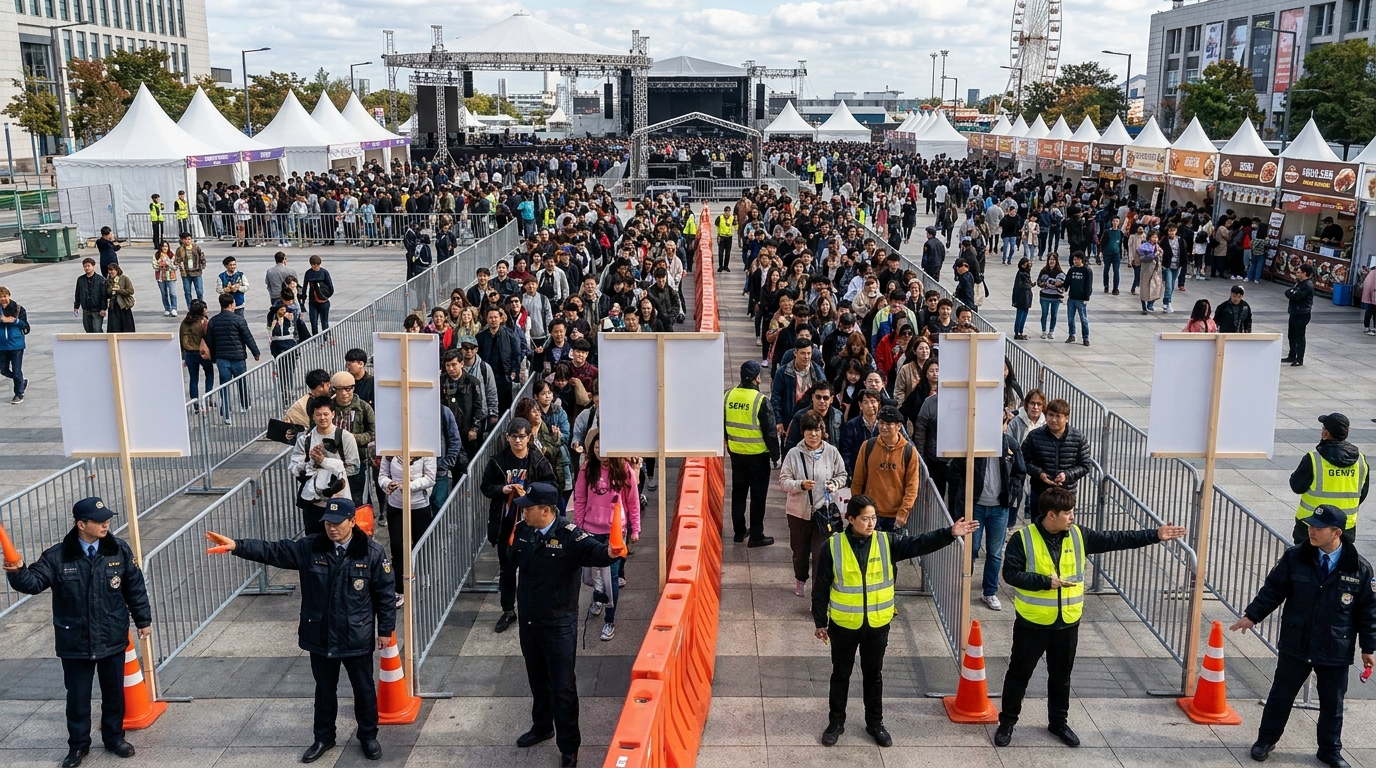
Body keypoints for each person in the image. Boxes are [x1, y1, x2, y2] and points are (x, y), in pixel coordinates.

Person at [994, 487, 1186, 747]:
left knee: (1061, 677)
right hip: (1033, 624)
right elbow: (1010, 574)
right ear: (1051, 515)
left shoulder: (1078, 535)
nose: (1072, 517)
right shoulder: (1023, 539)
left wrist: (1155, 535)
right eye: (1068, 513)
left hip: (1067, 624)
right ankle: (1007, 723)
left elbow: (1115, 539)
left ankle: (1058, 723)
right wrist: (1044, 582)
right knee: (1019, 674)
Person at [207, 498, 393, 764]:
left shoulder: (371, 553)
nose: (331, 528)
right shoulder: (311, 548)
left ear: (352, 521)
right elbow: (274, 551)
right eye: (327, 522)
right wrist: (237, 546)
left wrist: (385, 630)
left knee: (363, 689)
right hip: (320, 635)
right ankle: (324, 737)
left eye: (337, 523)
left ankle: (368, 736)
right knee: (324, 689)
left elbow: (384, 594)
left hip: (356, 636)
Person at [813, 494, 978, 747]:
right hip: (844, 625)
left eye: (874, 518)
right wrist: (820, 622)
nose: (871, 523)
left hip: (877, 625)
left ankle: (875, 723)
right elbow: (821, 586)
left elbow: (918, 544)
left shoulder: (885, 541)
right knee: (840, 676)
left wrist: (950, 533)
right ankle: (836, 723)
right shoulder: (833, 547)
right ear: (850, 519)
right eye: (865, 519)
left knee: (874, 676)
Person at [4, 497, 150, 768]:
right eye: (98, 521)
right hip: (76, 642)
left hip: (112, 637)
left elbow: (135, 587)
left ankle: (114, 738)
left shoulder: (118, 550)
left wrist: (143, 620)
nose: (106, 523)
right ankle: (78, 746)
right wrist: (17, 571)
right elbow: (33, 583)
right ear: (81, 524)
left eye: (107, 518)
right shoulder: (57, 556)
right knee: (78, 698)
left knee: (114, 694)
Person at [1230, 504, 1376, 768]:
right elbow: (1274, 589)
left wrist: (1368, 647)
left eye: (1319, 528)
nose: (1312, 531)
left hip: (1335, 647)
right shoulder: (1295, 557)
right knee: (1281, 695)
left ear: (1337, 533)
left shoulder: (1359, 568)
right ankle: (1266, 739)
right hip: (1297, 642)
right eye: (1310, 525)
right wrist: (1252, 615)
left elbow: (1368, 611)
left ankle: (1330, 750)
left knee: (1333, 703)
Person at [507, 482, 619, 767]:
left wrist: (615, 549)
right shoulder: (523, 531)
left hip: (558, 626)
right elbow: (509, 564)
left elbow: (599, 552)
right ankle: (542, 726)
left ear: (545, 510)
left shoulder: (570, 536)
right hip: (530, 622)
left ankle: (569, 746)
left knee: (563, 687)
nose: (524, 513)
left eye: (529, 508)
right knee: (537, 680)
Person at [481, 417, 557, 633]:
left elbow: (551, 485)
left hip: (532, 523)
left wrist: (531, 493)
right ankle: (508, 611)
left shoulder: (538, 460)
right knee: (507, 570)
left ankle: (533, 608)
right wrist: (502, 490)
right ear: (507, 438)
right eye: (514, 437)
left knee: (534, 568)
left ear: (529, 437)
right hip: (506, 523)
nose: (518, 441)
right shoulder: (498, 461)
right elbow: (485, 486)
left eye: (522, 437)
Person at [949, 407, 1027, 611]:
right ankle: (964, 585)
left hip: (999, 508)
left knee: (994, 552)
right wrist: (961, 500)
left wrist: (1011, 495)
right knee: (971, 548)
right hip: (975, 506)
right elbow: (956, 473)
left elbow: (1020, 472)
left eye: (1002, 423)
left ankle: (990, 592)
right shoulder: (972, 444)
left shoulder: (1010, 444)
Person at [573, 427, 641, 641]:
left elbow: (633, 501)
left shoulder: (624, 469)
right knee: (592, 576)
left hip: (615, 534)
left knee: (611, 577)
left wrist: (635, 529)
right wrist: (579, 526)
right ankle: (598, 598)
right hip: (591, 531)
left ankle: (609, 620)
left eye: (604, 446)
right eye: (596, 446)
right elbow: (580, 499)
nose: (600, 450)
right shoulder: (586, 470)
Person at [781, 411, 848, 598]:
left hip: (823, 513)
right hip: (798, 513)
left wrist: (834, 484)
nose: (813, 434)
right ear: (803, 432)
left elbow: (842, 475)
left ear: (822, 432)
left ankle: (818, 593)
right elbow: (783, 481)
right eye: (809, 430)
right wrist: (799, 485)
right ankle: (800, 578)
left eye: (817, 430)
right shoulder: (794, 454)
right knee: (800, 553)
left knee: (821, 555)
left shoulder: (832, 452)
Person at [1290, 413, 1369, 546]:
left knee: (1304, 564)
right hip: (1344, 526)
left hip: (1311, 525)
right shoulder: (1361, 460)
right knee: (1339, 564)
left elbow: (1297, 486)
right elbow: (1363, 493)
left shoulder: (1314, 458)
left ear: (1325, 433)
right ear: (1347, 432)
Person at [726, 360, 781, 546]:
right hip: (758, 457)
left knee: (738, 494)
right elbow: (770, 432)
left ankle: (739, 532)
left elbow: (722, 424)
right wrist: (776, 456)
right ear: (758, 377)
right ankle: (757, 534)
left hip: (736, 454)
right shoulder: (760, 401)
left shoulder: (728, 396)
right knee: (758, 497)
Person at [290, 396, 360, 535]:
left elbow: (354, 467)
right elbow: (294, 467)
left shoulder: (345, 437)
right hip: (314, 503)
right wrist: (311, 464)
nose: (323, 418)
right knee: (313, 542)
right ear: (313, 416)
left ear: (333, 414)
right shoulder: (305, 439)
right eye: (318, 414)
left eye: (326, 414)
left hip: (340, 501)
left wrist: (326, 464)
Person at [1020, 397, 1093, 522]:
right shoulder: (1034, 436)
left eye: (1058, 416)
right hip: (1040, 494)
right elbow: (1023, 461)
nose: (1053, 420)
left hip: (1066, 495)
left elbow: (1085, 465)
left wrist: (1067, 475)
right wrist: (1039, 474)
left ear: (1067, 418)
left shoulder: (1078, 438)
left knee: (1063, 531)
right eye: (1050, 415)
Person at [377, 451, 436, 605]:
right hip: (396, 505)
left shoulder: (426, 452)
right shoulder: (390, 453)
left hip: (419, 506)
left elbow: (430, 478)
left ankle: (424, 582)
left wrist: (408, 485)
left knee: (421, 546)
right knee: (397, 548)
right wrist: (387, 484)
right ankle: (400, 589)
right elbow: (382, 475)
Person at [851, 406, 919, 532]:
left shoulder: (909, 451)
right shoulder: (867, 446)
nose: (883, 427)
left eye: (888, 424)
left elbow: (912, 487)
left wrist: (903, 513)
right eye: (881, 423)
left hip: (896, 517)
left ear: (899, 426)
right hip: (870, 514)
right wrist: (858, 510)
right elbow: (857, 480)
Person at [205, 293, 260, 425]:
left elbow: (210, 341)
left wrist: (213, 357)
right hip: (238, 356)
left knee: (224, 385)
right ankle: (245, 405)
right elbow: (248, 337)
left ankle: (226, 414)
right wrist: (255, 352)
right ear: (231, 304)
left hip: (222, 358)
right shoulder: (238, 320)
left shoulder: (213, 321)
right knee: (242, 381)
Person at [333, 371, 376, 506]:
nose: (344, 393)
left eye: (348, 388)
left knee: (359, 500)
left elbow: (373, 433)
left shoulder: (364, 408)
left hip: (358, 460)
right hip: (333, 461)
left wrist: (352, 438)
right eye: (340, 389)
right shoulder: (328, 407)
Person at [179, 299, 214, 408]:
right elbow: (209, 338)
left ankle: (195, 405)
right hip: (202, 353)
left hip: (189, 353)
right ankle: (208, 399)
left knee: (193, 379)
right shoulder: (204, 322)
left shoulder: (185, 322)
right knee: (209, 374)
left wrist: (183, 356)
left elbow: (181, 339)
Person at [0, 286, 29, 404]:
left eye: (5, 296)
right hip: (2, 346)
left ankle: (19, 393)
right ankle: (21, 382)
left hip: (16, 345)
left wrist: (14, 321)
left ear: (9, 296)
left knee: (17, 371)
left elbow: (26, 326)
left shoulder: (18, 309)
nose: (3, 299)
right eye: (1, 297)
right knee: (4, 370)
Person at [1284, 263, 1314, 367]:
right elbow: (1288, 292)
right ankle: (1292, 354)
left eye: (1299, 272)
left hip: (1301, 313)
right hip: (1294, 312)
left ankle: (1299, 358)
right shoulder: (1299, 283)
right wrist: (1291, 293)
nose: (1297, 274)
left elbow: (1295, 296)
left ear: (1305, 273)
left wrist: (1292, 293)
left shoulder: (1307, 285)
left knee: (1299, 336)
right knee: (1291, 334)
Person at [1063, 251, 1092, 346]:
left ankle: (1085, 337)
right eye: (1074, 259)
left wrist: (1086, 297)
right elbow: (1067, 282)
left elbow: (1088, 285)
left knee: (1083, 319)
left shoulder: (1087, 270)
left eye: (1078, 259)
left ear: (1081, 260)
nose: (1076, 261)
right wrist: (1063, 288)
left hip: (1081, 299)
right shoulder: (1071, 270)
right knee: (1070, 318)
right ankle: (1071, 334)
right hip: (1072, 298)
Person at [304, 255, 335, 337]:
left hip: (323, 302)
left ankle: (325, 337)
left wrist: (325, 296)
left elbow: (330, 287)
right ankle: (315, 337)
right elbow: (304, 287)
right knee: (313, 322)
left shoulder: (324, 272)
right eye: (314, 265)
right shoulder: (308, 273)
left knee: (324, 322)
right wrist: (303, 299)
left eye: (317, 265)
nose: (316, 267)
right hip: (312, 301)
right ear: (311, 264)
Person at [73, 258, 107, 333]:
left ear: (93, 266)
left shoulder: (100, 279)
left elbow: (103, 295)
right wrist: (76, 306)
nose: (87, 268)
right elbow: (78, 293)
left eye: (89, 266)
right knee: (88, 331)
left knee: (97, 330)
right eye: (85, 266)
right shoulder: (80, 279)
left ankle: (100, 344)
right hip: (86, 309)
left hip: (97, 310)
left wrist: (103, 308)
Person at [1036, 254, 1065, 340]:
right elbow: (1038, 282)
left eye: (1053, 259)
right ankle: (1044, 331)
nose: (1051, 261)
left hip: (1055, 297)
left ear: (1056, 261)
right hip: (1044, 296)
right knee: (1044, 314)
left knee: (1054, 315)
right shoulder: (1043, 271)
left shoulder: (1060, 273)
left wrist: (1062, 288)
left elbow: (1065, 285)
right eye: (1050, 259)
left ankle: (1051, 331)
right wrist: (1043, 284)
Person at [174, 233, 207, 309]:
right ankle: (190, 308)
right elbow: (177, 260)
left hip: (197, 272)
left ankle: (200, 307)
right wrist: (179, 265)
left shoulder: (196, 247)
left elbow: (202, 257)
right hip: (186, 274)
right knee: (187, 292)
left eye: (189, 239)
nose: (188, 241)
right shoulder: (180, 250)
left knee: (199, 291)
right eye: (185, 239)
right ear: (182, 240)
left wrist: (202, 266)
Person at [105, 263, 136, 333]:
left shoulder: (124, 278)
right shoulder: (108, 281)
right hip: (113, 307)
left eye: (112, 270)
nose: (110, 272)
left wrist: (119, 290)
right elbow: (106, 293)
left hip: (123, 306)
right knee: (114, 328)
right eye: (109, 270)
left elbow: (131, 291)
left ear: (117, 270)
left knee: (127, 328)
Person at [716, 206, 736, 271]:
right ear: (724, 212)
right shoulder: (720, 217)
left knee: (728, 253)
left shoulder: (732, 218)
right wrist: (718, 233)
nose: (727, 213)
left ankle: (726, 266)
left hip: (729, 237)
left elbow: (735, 225)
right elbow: (716, 224)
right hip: (722, 237)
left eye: (728, 211)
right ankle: (720, 266)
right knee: (721, 253)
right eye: (726, 211)